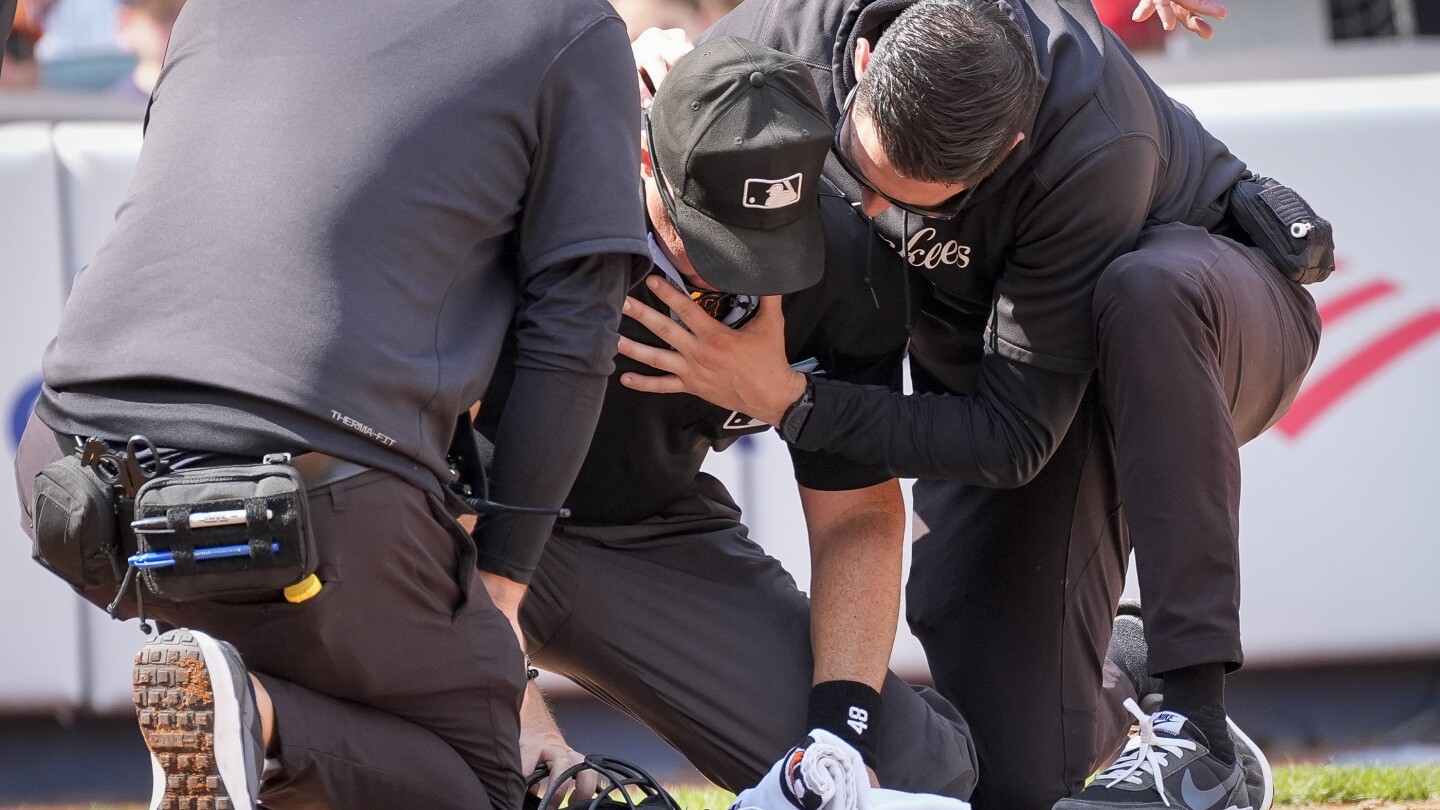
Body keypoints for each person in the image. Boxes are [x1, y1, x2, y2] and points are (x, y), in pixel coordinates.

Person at [617, 1, 1322, 809]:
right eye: (860, 176)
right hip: (1010, 371)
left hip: (1202, 332)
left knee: (1145, 291)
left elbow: (1015, 436)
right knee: (1006, 772)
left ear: (1008, 151)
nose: (868, 217)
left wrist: (790, 400)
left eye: (910, 203)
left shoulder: (1089, 143)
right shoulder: (781, 47)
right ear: (865, 61)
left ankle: (1196, 731)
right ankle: (1118, 668)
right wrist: (648, 78)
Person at [12, 0, 649, 808]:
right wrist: (501, 584)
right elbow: (575, 331)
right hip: (302, 484)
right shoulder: (571, 26)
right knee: (486, 780)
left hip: (66, 468)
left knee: (294, 679)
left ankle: (238, 716)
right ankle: (256, 718)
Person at [479, 36, 981, 799]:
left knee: (916, 769)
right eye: (705, 239)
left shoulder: (846, 258)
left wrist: (836, 738)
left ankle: (1117, 675)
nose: (729, 272)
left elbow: (856, 514)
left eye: (769, 246)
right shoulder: (529, 199)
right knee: (475, 760)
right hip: (450, 524)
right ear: (645, 158)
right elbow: (405, 462)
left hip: (640, 533)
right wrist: (519, 717)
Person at [109, 0, 183, 99]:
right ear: (125, 22)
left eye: (182, 12)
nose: (176, 24)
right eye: (162, 13)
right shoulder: (114, 107)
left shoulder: (202, 91)